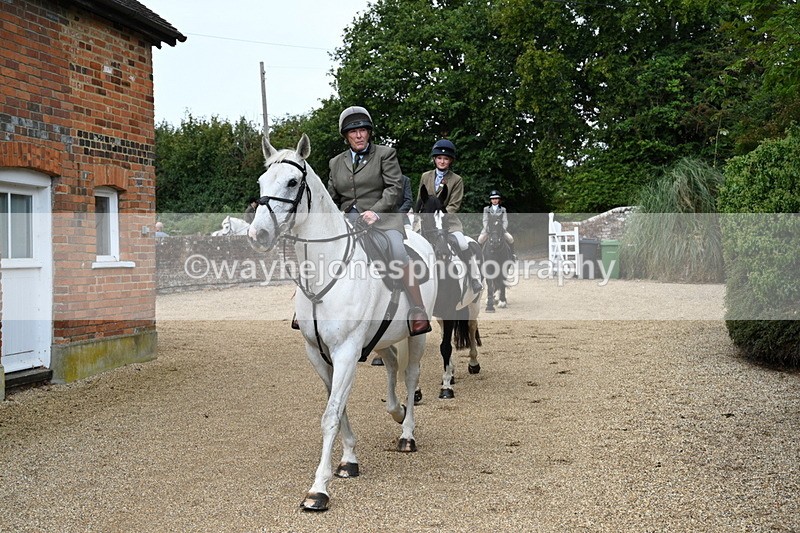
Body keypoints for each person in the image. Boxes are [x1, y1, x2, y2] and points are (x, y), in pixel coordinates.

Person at [326, 105, 431, 336]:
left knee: (397, 252)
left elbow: (394, 188)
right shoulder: (335, 162)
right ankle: (308, 306)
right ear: (346, 136)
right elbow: (332, 197)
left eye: (363, 130)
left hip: (383, 219)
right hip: (349, 221)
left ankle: (418, 309)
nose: (359, 135)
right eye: (353, 132)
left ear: (369, 132)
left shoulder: (385, 154)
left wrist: (375, 212)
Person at [418, 139, 483, 293]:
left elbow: (454, 204)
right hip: (428, 222)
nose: (442, 161)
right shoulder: (425, 176)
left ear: (450, 161)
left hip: (448, 221)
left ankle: (474, 278)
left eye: (446, 159)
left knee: (463, 244)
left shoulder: (456, 180)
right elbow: (421, 199)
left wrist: (441, 216)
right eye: (439, 158)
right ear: (434, 159)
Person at [478, 190, 516, 260]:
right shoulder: (486, 209)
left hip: (500, 229)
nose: (494, 200)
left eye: (496, 199)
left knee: (510, 238)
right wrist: (487, 229)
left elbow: (505, 221)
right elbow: (485, 220)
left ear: (498, 200)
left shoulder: (503, 209)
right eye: (493, 199)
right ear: (490, 200)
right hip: (489, 229)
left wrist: (503, 229)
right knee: (480, 239)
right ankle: (479, 257)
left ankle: (513, 255)